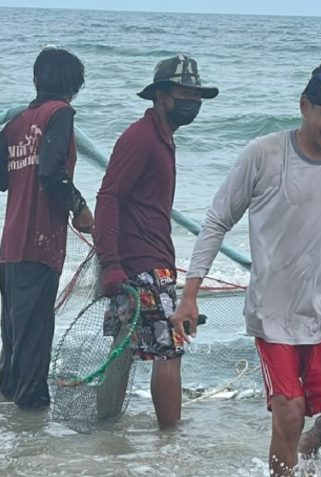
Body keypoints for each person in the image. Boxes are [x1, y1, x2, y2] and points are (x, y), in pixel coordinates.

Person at [171, 61, 321, 476]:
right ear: (305, 105)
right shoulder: (264, 154)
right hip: (273, 313)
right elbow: (217, 221)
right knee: (289, 413)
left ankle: (310, 444)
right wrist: (189, 294)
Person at [93, 54, 218, 428]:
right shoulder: (141, 137)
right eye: (183, 93)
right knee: (170, 352)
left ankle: (105, 434)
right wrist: (111, 263)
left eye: (196, 95)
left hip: (144, 261)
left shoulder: (162, 137)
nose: (191, 101)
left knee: (123, 352)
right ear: (160, 96)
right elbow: (108, 197)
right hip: (142, 264)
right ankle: (170, 440)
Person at [0, 47, 93, 410]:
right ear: (74, 88)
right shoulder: (61, 113)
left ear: (36, 80)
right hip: (39, 248)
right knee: (34, 343)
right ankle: (33, 430)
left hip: (9, 251)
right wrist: (80, 207)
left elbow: (4, 181)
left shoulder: (15, 124)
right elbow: (53, 172)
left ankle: (13, 429)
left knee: (15, 341)